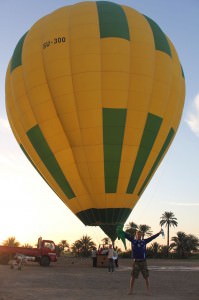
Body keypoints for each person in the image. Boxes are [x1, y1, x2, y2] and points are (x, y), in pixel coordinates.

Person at [117, 226, 161, 295]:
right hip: (136, 262)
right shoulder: (133, 240)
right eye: (138, 235)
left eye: (140, 235)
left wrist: (159, 233)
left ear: (141, 236)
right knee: (133, 276)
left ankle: (148, 291)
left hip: (143, 261)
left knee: (146, 277)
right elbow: (125, 235)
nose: (139, 236)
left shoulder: (144, 241)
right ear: (136, 235)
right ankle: (131, 290)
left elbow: (152, 237)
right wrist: (119, 230)